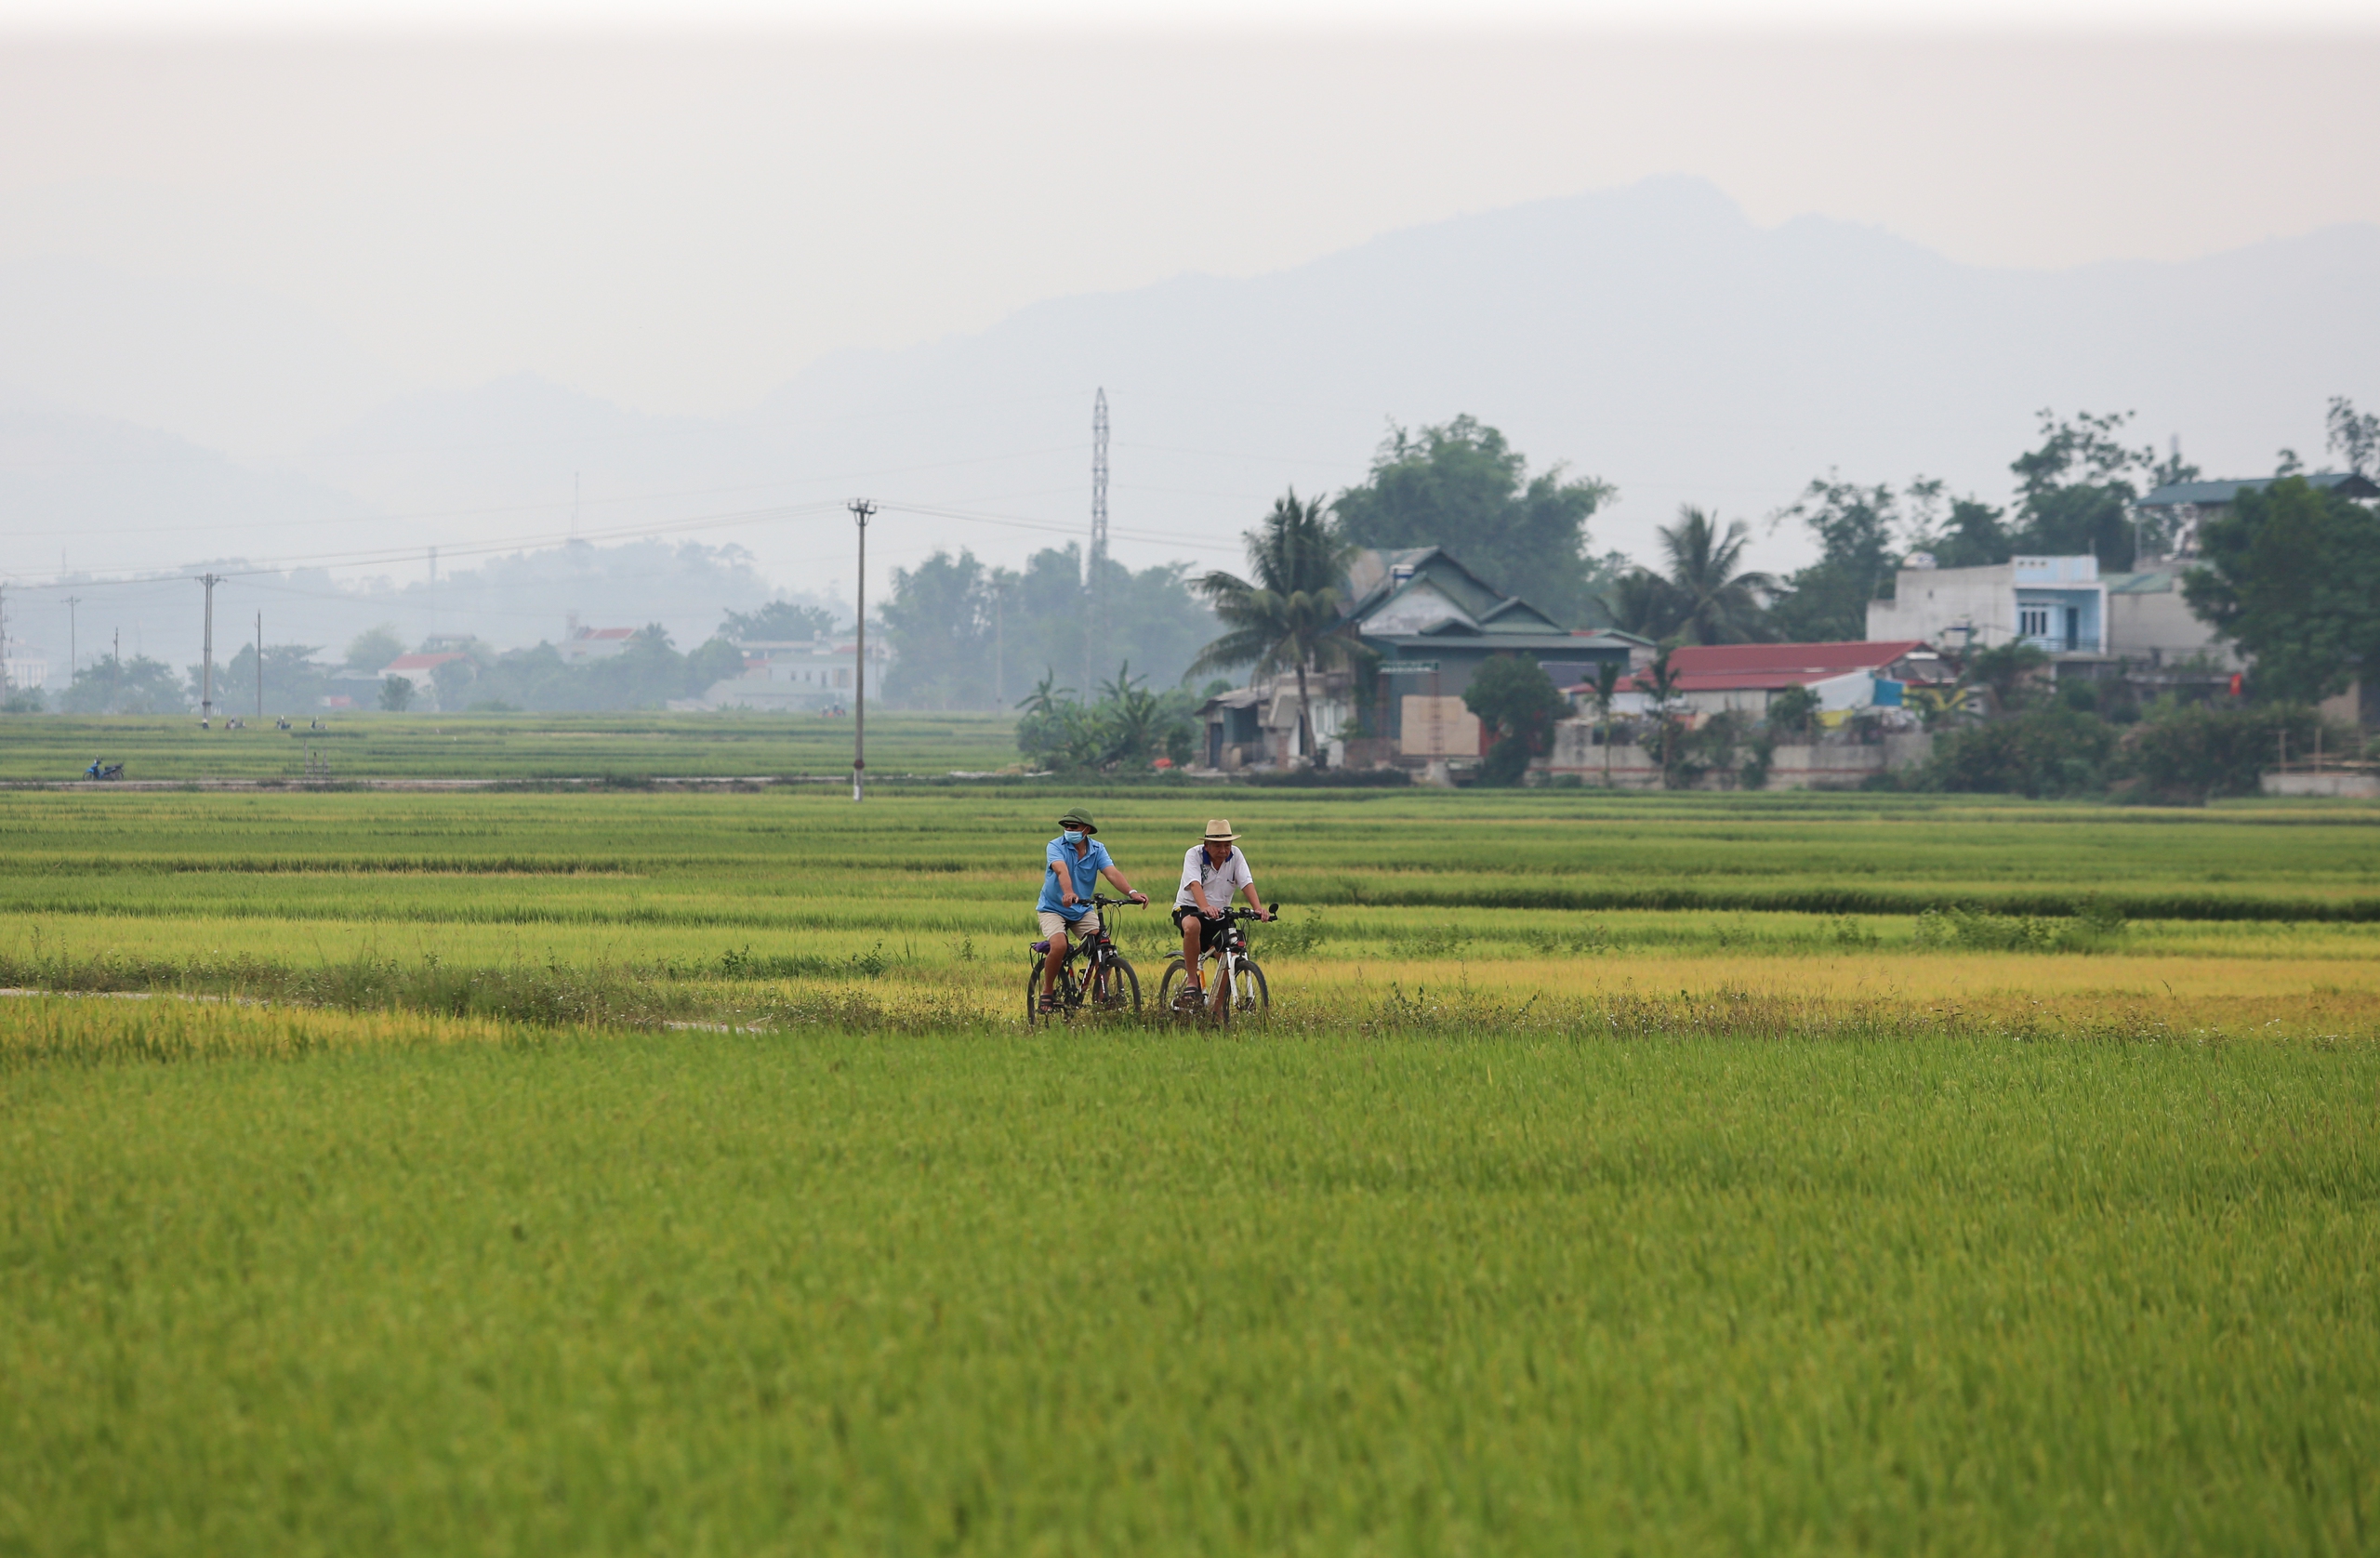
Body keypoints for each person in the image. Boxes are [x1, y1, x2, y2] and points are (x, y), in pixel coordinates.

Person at [1036, 807, 1148, 1013]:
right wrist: (1068, 892)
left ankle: (1101, 993)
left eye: (1074, 826)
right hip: (1053, 907)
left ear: (1086, 829)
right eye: (1066, 826)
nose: (1068, 829)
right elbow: (1061, 870)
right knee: (1059, 945)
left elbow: (1111, 873)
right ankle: (1048, 990)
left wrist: (1132, 892)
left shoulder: (1097, 849)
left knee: (1102, 945)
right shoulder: (1055, 846)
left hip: (1081, 908)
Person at [1173, 818, 1270, 1005]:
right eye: (1218, 846)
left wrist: (1257, 909)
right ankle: (1192, 982)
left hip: (1220, 913)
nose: (1224, 850)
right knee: (1192, 926)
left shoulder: (1236, 855)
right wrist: (1204, 907)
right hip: (1190, 908)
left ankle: (1218, 1009)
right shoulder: (1193, 855)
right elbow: (1194, 884)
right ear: (1206, 845)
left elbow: (1246, 882)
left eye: (1227, 845)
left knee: (1230, 957)